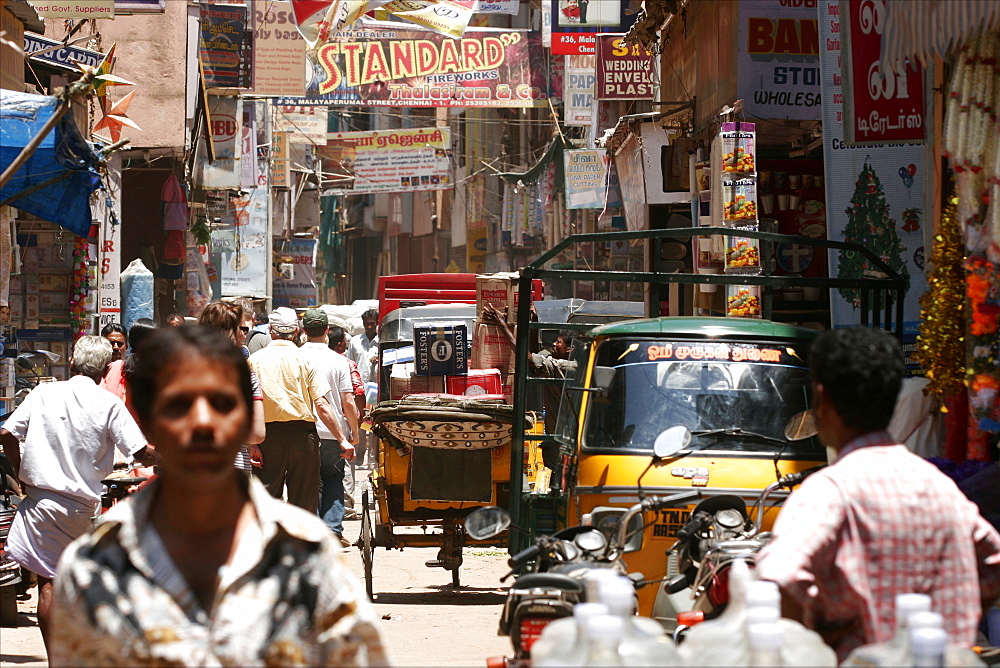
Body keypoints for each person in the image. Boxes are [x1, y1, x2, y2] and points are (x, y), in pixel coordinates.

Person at [49, 326, 388, 665]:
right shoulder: (94, 566)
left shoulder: (308, 558)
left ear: (247, 420)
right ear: (147, 422)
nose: (202, 423)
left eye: (220, 404)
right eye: (179, 405)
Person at [755, 327, 1000, 661]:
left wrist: (819, 641)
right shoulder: (941, 488)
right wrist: (951, 621)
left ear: (823, 398)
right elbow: (992, 563)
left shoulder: (829, 491)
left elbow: (778, 580)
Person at [0, 336, 156, 651]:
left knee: (50, 587)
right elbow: (141, 453)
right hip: (82, 508)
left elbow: (6, 432)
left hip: (42, 503)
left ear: (72, 362)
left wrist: (20, 473)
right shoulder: (109, 402)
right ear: (105, 369)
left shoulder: (44, 392)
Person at [248, 307, 343, 511]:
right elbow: (322, 405)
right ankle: (299, 542)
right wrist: (342, 439)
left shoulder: (255, 360)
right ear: (296, 331)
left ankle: (269, 541)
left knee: (265, 500)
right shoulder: (306, 360)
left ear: (271, 330)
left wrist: (252, 443)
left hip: (267, 437)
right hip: (303, 437)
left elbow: (248, 405)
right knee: (303, 503)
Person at [300, 309, 358, 548]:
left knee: (308, 480)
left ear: (303, 331)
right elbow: (348, 402)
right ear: (326, 331)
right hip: (333, 433)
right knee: (334, 477)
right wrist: (352, 432)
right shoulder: (339, 361)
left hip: (302, 431)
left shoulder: (296, 357)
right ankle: (333, 530)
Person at [198, 301, 266, 471]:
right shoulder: (244, 376)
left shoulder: (180, 369)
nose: (245, 335)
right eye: (242, 329)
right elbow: (257, 433)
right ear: (231, 332)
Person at [331, 326, 366, 521]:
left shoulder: (309, 359)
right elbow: (358, 393)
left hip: (315, 420)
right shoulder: (347, 363)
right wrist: (358, 421)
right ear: (340, 344)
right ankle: (346, 506)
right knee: (345, 463)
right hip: (343, 420)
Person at [347, 309, 379, 468]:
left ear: (377, 323)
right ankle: (358, 460)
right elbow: (349, 364)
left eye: (372, 323)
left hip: (375, 391)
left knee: (373, 426)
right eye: (367, 324)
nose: (369, 326)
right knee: (359, 424)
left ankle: (372, 461)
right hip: (358, 390)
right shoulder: (355, 342)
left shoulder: (382, 342)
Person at [99, 322, 128, 400]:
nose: (115, 347)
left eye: (119, 344)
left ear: (126, 346)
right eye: (111, 343)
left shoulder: (131, 372)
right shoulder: (96, 372)